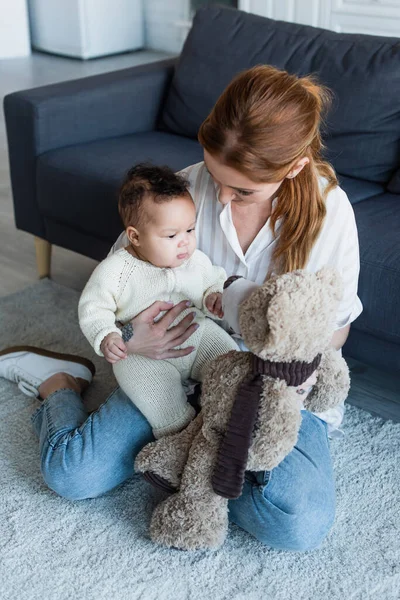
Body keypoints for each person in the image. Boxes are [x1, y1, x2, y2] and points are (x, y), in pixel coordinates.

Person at [0, 65, 362, 551]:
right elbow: (121, 280)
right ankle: (61, 385)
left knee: (295, 523)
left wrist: (250, 317)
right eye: (216, 177)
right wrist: (130, 339)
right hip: (175, 363)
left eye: (244, 191)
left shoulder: (329, 212)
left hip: (274, 388)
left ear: (293, 167)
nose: (223, 198)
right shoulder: (184, 192)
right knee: (72, 475)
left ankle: (187, 458)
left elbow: (332, 334)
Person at [78, 163, 238, 438]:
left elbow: (213, 279)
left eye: (190, 230)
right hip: (143, 356)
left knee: (233, 366)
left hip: (197, 337)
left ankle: (231, 417)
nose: (185, 242)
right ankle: (181, 433)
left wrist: (213, 296)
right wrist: (107, 336)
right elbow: (94, 307)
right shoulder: (116, 270)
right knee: (158, 398)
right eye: (171, 235)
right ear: (135, 237)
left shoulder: (195, 260)